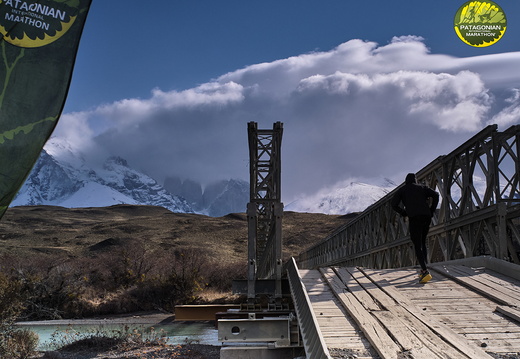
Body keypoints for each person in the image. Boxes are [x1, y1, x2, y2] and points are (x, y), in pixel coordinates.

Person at [391, 173, 439, 284]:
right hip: (426, 217)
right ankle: (425, 266)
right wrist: (432, 210)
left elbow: (393, 204)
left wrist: (403, 213)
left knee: (417, 244)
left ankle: (424, 271)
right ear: (415, 180)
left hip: (414, 218)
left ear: (406, 181)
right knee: (423, 241)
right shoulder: (422, 187)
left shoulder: (403, 190)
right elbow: (436, 195)